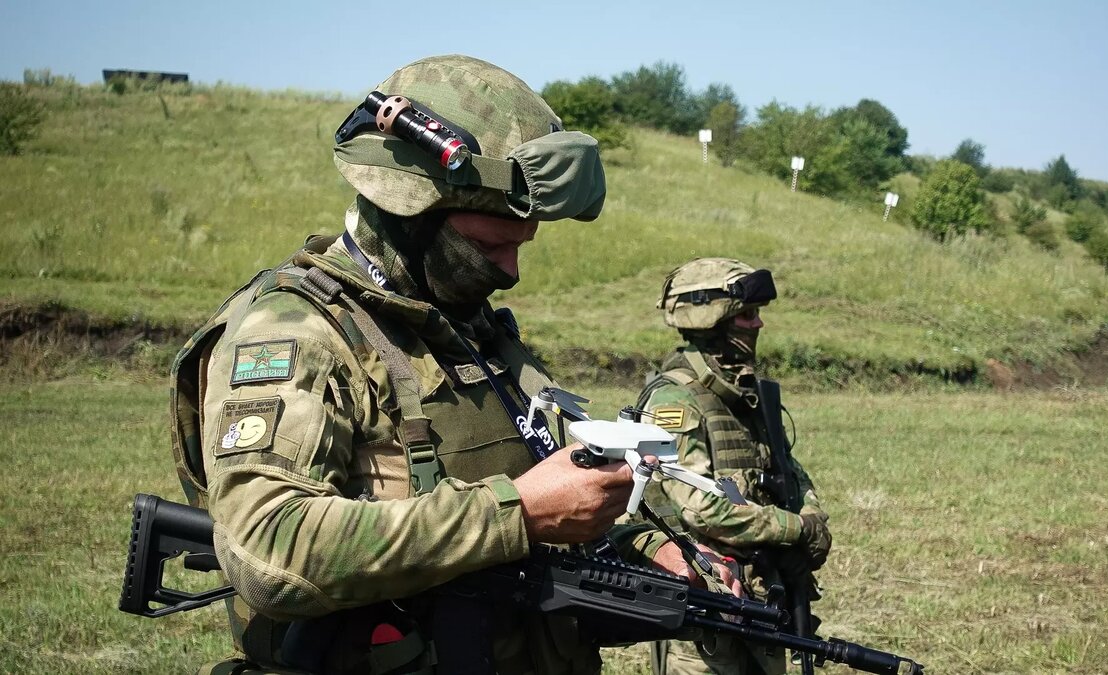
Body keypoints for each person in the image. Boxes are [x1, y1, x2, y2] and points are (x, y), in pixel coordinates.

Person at [167, 55, 734, 675]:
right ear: (412, 205)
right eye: (491, 245)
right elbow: (268, 551)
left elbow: (548, 476)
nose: (510, 273)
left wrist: (647, 550)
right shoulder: (295, 333)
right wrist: (517, 513)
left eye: (520, 245)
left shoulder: (477, 334)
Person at [636, 258, 832, 675]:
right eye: (747, 315)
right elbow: (699, 507)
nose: (758, 325)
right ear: (712, 319)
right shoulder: (674, 401)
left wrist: (811, 512)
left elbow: (788, 470)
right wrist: (795, 528)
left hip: (763, 593)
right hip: (705, 604)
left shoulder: (746, 393)